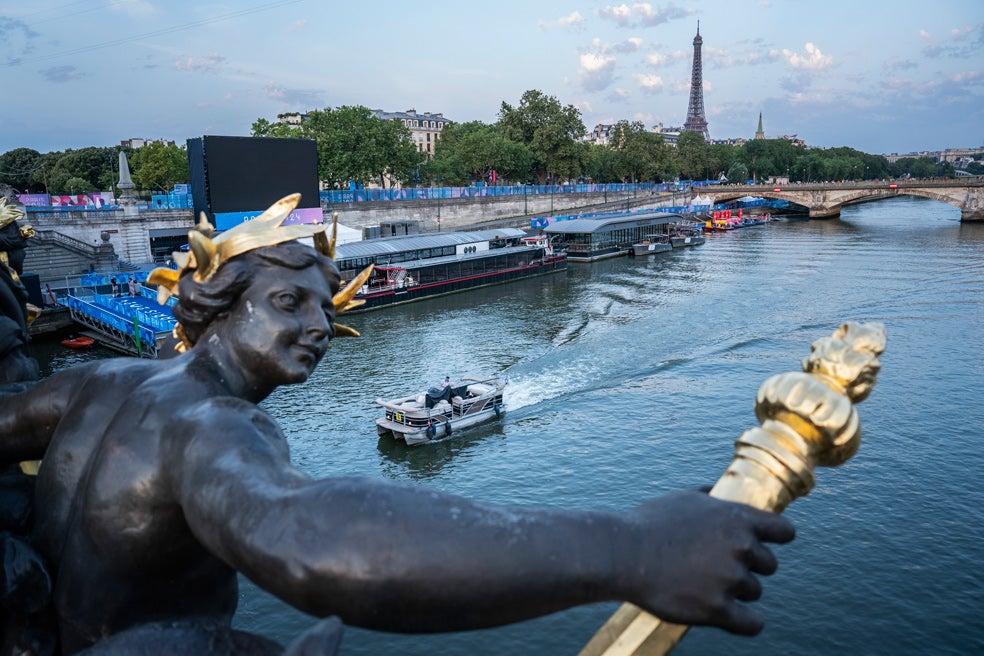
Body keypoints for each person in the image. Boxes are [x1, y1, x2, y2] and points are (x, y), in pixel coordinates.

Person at [0, 195, 794, 654]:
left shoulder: (97, 382)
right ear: (219, 304)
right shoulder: (212, 426)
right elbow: (312, 537)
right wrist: (628, 548)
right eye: (288, 302)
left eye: (325, 309)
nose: (317, 326)